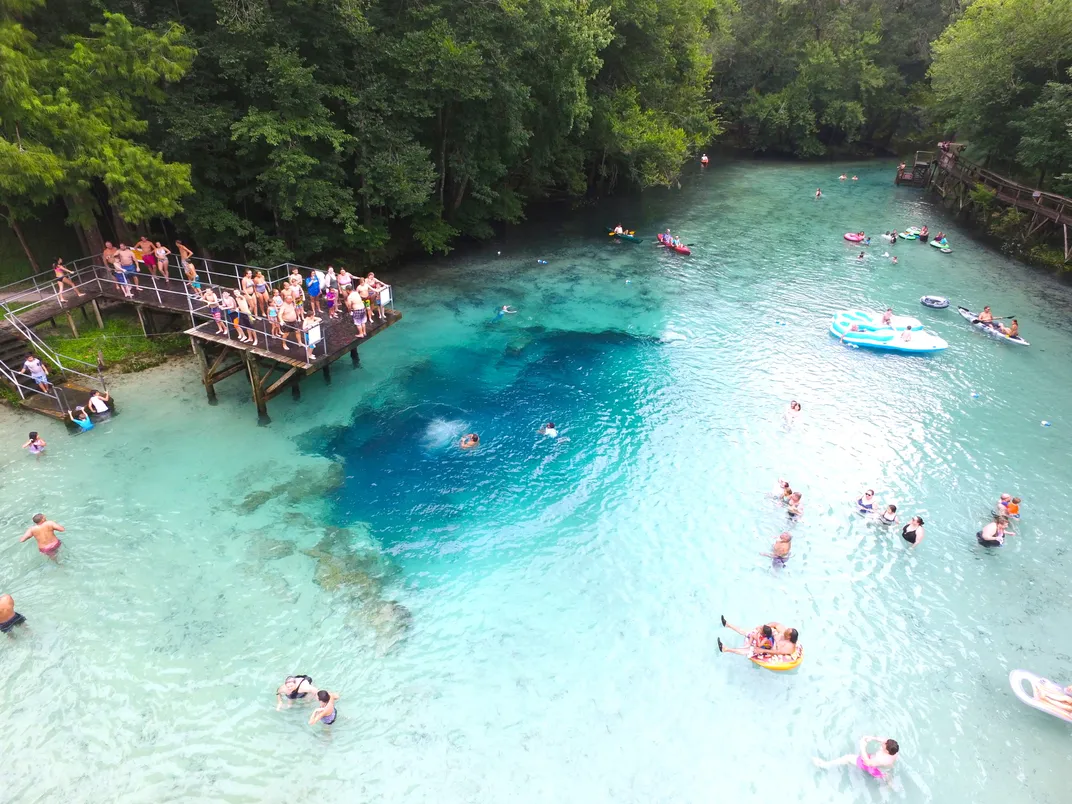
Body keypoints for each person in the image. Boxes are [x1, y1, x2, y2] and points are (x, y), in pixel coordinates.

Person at [814, 736, 899, 783]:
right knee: (886, 776)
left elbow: (867, 762)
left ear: (887, 751)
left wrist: (862, 746)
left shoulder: (882, 759)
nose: (883, 743)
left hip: (872, 767)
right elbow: (882, 740)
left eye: (884, 744)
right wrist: (871, 738)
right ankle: (889, 782)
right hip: (884, 766)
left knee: (847, 758)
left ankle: (825, 765)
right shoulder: (894, 751)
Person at [719, 617, 799, 660]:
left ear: (789, 637)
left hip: (768, 647)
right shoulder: (783, 631)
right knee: (747, 632)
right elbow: (775, 624)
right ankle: (727, 624)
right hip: (767, 639)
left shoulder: (789, 646)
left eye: (787, 632)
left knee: (748, 651)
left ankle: (725, 649)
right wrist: (764, 628)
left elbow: (777, 652)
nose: (785, 631)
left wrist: (762, 650)